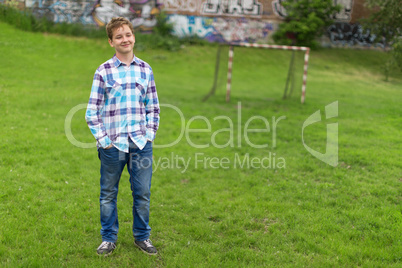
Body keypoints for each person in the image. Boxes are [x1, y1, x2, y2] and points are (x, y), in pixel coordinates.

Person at [85, 17, 160, 256]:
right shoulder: (103, 71)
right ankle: (108, 238)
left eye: (127, 34)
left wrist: (149, 135)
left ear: (133, 37)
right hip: (112, 145)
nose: (124, 39)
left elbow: (153, 107)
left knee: (143, 193)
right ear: (111, 41)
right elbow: (91, 111)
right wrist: (104, 140)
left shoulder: (145, 69)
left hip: (140, 143)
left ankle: (142, 237)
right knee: (108, 193)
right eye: (118, 36)